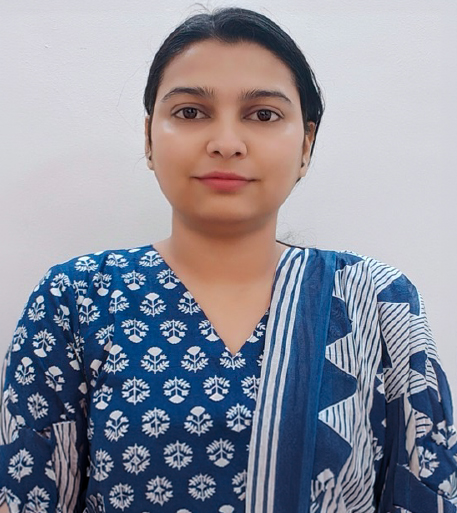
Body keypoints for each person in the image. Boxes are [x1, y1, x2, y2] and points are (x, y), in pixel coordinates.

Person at [0, 6, 456, 513]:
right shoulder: (78, 298)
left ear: (305, 145)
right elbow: (29, 495)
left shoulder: (377, 302)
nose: (225, 143)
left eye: (263, 115)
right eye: (190, 112)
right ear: (149, 138)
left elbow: (426, 490)